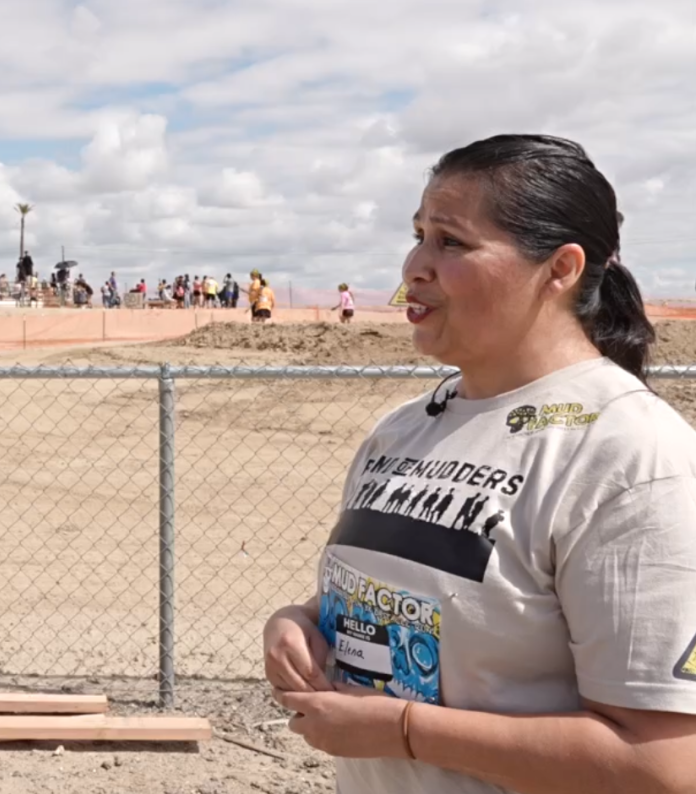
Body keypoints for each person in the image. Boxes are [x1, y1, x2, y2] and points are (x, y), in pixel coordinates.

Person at [261, 134, 696, 794]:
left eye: (451, 242)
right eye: (418, 235)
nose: (414, 267)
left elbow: (662, 764)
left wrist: (405, 732)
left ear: (560, 269)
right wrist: (300, 622)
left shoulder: (630, 455)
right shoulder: (402, 429)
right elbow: (426, 598)